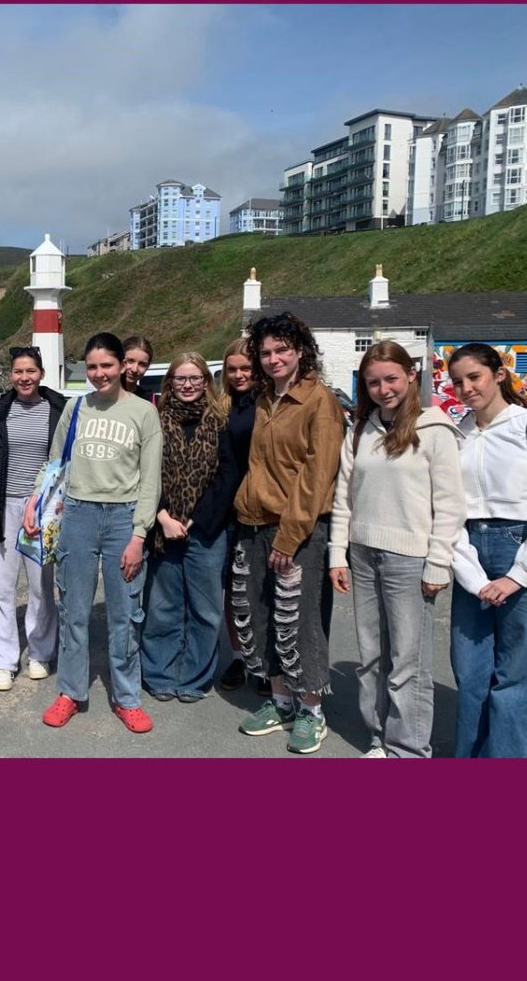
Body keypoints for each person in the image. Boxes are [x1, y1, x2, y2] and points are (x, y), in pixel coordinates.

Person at [329, 341, 465, 758]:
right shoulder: (360, 430)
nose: (383, 389)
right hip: (364, 554)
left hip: (411, 559)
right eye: (373, 382)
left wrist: (438, 562)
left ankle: (407, 748)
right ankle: (378, 738)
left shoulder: (435, 429)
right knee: (371, 657)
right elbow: (344, 497)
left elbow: (450, 504)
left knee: (408, 660)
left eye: (391, 378)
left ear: (411, 375)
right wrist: (338, 554)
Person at [25, 332, 163, 734]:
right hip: (78, 514)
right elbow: (55, 463)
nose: (100, 374)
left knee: (125, 614)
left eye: (107, 365)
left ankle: (127, 697)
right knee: (74, 612)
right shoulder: (75, 408)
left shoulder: (143, 413)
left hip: (124, 518)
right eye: (92, 367)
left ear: (123, 366)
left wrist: (139, 535)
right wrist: (35, 500)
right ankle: (70, 691)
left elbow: (150, 481)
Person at [232, 312, 345, 754]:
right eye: (266, 352)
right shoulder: (264, 399)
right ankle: (280, 702)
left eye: (282, 349)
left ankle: (312, 711)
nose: (274, 358)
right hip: (253, 524)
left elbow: (318, 476)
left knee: (300, 620)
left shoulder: (320, 401)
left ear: (300, 350)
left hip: (297, 529)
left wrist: (289, 536)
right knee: (259, 617)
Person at [140, 352, 235, 702]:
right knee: (162, 607)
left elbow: (227, 475)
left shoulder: (219, 422)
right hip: (161, 527)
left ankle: (195, 678)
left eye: (195, 378)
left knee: (205, 610)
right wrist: (163, 517)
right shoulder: (154, 420)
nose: (188, 384)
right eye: (181, 378)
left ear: (206, 383)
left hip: (206, 530)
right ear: (170, 383)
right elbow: (144, 473)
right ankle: (159, 673)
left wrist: (197, 518)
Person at [448, 343, 527, 757]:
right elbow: (446, 507)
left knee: (513, 674)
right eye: (457, 381)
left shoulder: (522, 426)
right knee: (470, 670)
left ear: (499, 374)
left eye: (474, 377)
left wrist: (517, 576)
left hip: (518, 545)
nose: (465, 388)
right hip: (469, 551)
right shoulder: (457, 432)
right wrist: (474, 576)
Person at [0, 345, 65, 690]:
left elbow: (66, 458)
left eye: (31, 371)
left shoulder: (58, 409)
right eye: (18, 372)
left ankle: (40, 653)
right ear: (10, 375)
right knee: (2, 585)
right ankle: (2, 659)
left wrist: (51, 503)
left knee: (41, 585)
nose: (24, 377)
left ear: (41, 374)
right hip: (4, 506)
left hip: (44, 508)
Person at [215, 337, 266, 693]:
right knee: (233, 593)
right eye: (232, 369)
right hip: (228, 510)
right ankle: (238, 657)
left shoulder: (267, 404)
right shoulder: (222, 406)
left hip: (262, 507)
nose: (238, 375)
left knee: (262, 590)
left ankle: (265, 662)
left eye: (245, 368)